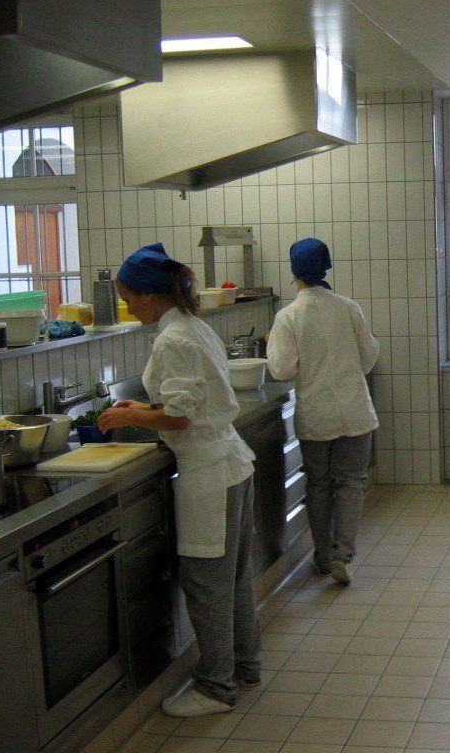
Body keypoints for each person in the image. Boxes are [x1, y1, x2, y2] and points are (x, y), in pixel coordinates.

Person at [97, 242, 259, 718]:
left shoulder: (172, 339)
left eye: (129, 298)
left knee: (208, 585)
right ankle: (244, 666)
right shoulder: (193, 326)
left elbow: (181, 418)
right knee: (234, 579)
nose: (128, 307)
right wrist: (144, 408)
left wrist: (137, 416)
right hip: (231, 464)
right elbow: (189, 402)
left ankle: (216, 688)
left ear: (150, 295)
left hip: (209, 473)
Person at [266, 238, 379, 585]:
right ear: (326, 267)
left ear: (294, 272)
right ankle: (343, 554)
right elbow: (369, 358)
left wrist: (274, 344)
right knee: (351, 483)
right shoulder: (348, 307)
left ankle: (323, 558)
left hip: (317, 415)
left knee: (319, 485)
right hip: (355, 412)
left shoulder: (288, 316)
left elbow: (281, 370)